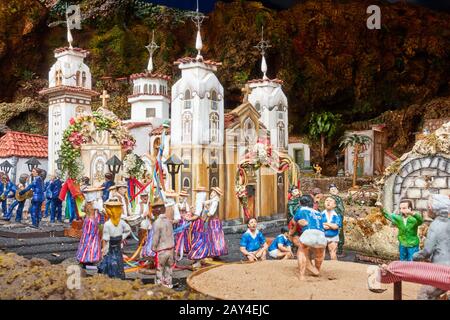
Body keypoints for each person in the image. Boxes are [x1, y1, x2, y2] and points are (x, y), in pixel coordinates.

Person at [413, 194, 450, 300]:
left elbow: (427, 251)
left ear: (433, 208)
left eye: (428, 207)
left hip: (442, 270)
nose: (427, 209)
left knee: (425, 294)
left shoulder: (435, 225)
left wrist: (414, 256)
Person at [294, 195, 327, 280]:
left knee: (301, 250)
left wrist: (297, 223)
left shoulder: (301, 210)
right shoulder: (318, 213)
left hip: (308, 232)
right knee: (319, 254)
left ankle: (302, 275)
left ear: (300, 203)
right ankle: (317, 270)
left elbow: (294, 221)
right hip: (321, 235)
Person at [98, 198, 131, 279]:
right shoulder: (108, 224)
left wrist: (121, 237)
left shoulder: (119, 222)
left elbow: (128, 230)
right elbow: (105, 239)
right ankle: (115, 277)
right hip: (112, 245)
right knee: (114, 261)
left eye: (117, 208)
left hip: (116, 245)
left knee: (116, 261)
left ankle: (116, 277)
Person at [76, 186, 103, 267]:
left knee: (85, 238)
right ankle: (91, 257)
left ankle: (83, 257)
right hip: (93, 222)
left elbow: (82, 209)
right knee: (93, 238)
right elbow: (101, 210)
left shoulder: (85, 201)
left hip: (86, 221)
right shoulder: (95, 203)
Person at [151, 201, 175, 289]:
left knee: (160, 268)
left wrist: (153, 247)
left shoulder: (157, 223)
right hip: (171, 248)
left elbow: (155, 238)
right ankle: (168, 283)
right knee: (169, 268)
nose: (152, 211)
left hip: (162, 250)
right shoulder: (168, 221)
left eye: (153, 209)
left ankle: (159, 286)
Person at [186, 186, 209, 268]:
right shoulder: (202, 203)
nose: (197, 194)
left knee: (197, 241)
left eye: (198, 192)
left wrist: (189, 218)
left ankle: (198, 260)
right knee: (197, 240)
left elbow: (197, 215)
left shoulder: (200, 202)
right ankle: (198, 259)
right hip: (199, 224)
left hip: (198, 224)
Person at [204, 187, 228, 259]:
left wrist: (206, 212)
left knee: (215, 236)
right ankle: (213, 252)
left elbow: (211, 213)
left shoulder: (215, 202)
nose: (211, 193)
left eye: (214, 193)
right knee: (211, 236)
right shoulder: (211, 201)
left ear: (216, 194)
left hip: (214, 222)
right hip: (212, 221)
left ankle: (215, 252)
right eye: (212, 192)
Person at [329, 183, 346, 256]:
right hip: (335, 216)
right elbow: (340, 208)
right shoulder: (332, 199)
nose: (333, 191)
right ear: (329, 192)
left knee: (339, 231)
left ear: (337, 190)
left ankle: (339, 248)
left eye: (335, 189)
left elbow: (342, 208)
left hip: (338, 216)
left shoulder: (338, 198)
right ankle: (336, 248)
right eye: (332, 189)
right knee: (337, 231)